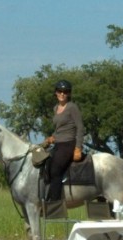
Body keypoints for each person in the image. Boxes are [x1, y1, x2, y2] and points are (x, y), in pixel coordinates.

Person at [42, 80, 85, 208]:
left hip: (68, 144)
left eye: (65, 92)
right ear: (56, 93)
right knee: (45, 164)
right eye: (60, 91)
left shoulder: (72, 107)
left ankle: (54, 205)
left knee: (55, 169)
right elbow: (59, 129)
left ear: (69, 94)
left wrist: (78, 147)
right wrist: (51, 138)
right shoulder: (56, 108)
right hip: (58, 143)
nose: (62, 94)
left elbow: (80, 127)